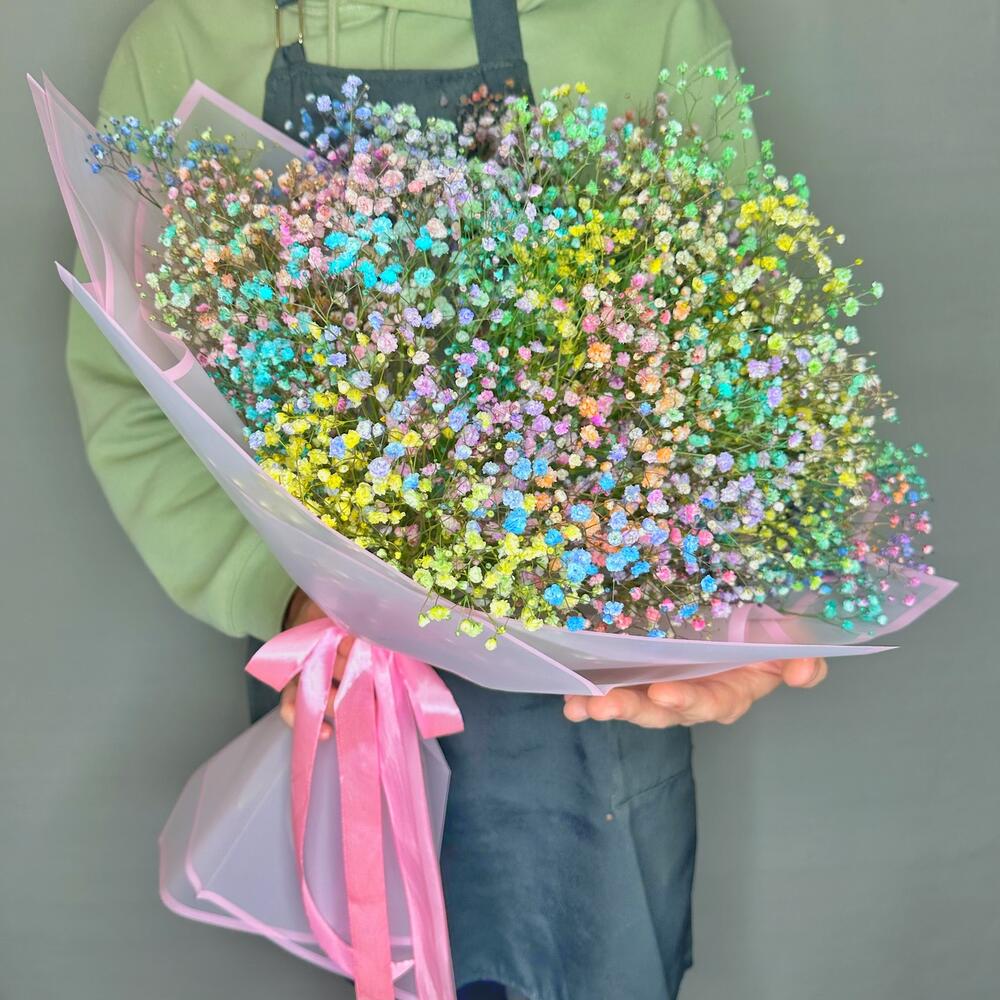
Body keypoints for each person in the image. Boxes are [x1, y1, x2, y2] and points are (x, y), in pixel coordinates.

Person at [67, 2, 827, 997]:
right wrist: (285, 593)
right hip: (346, 712)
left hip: (594, 722)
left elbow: (748, 362)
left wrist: (726, 606)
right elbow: (135, 392)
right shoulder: (186, 39)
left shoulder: (644, 20)